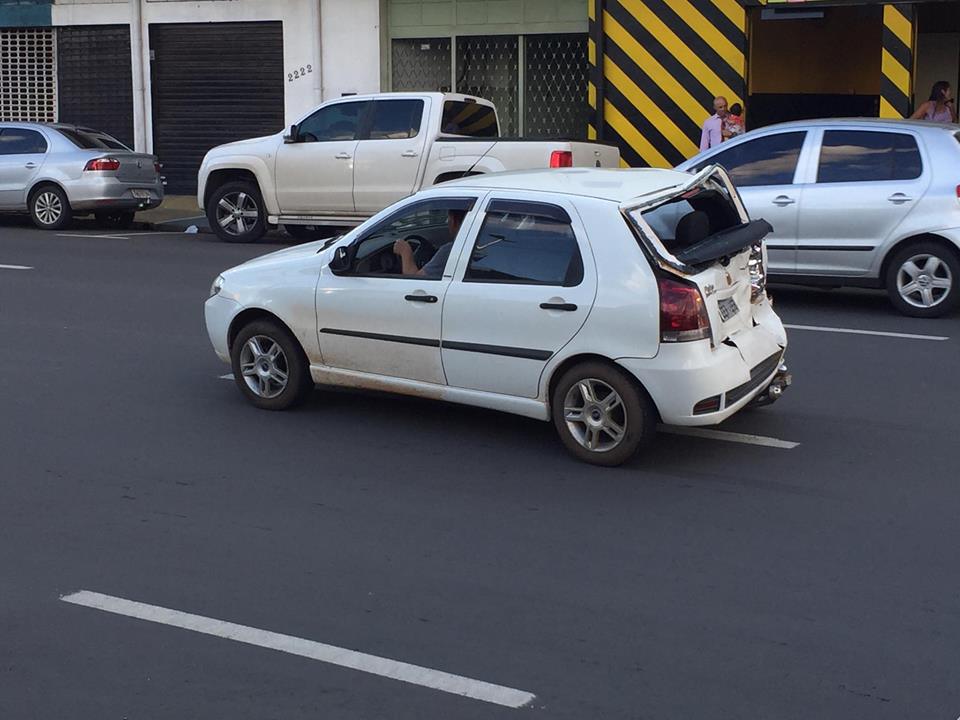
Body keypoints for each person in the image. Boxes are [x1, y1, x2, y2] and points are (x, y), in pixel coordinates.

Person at [392, 209, 466, 277]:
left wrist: (405, 252)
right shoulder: (467, 248)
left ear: (453, 221)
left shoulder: (451, 251)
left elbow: (416, 280)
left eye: (448, 218)